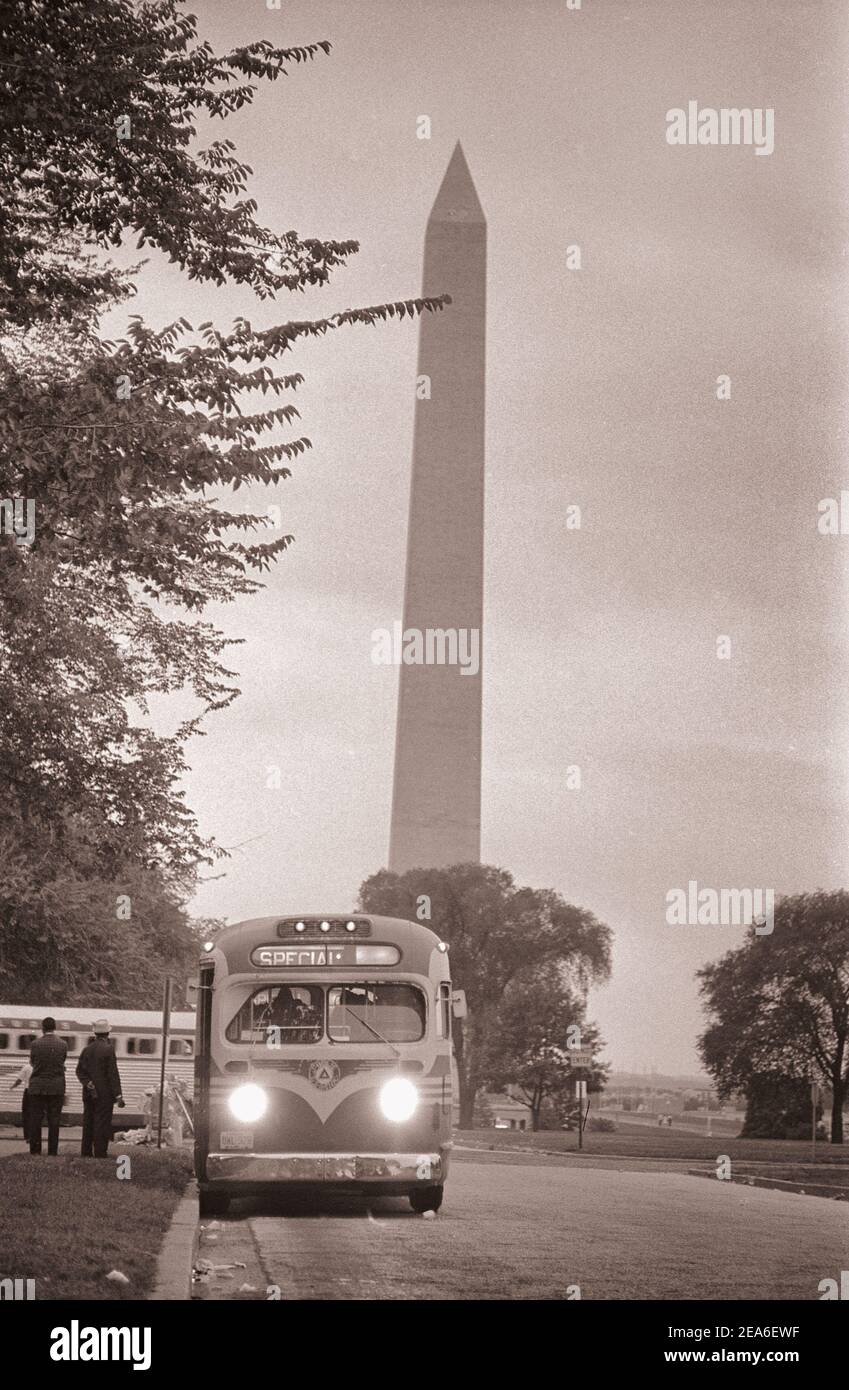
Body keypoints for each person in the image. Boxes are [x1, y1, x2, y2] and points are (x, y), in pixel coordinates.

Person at [76, 1020, 125, 1158]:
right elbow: (112, 1074)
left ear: (95, 1033)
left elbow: (79, 1071)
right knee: (102, 1123)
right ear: (108, 1033)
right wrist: (118, 1095)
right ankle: (100, 1152)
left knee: (88, 1122)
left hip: (88, 1093)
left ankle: (86, 1152)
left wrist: (87, 1083)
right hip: (104, 1094)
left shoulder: (86, 1049)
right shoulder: (108, 1049)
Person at [28, 1018, 68, 1155]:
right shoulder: (63, 1044)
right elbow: (61, 1062)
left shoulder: (35, 1044)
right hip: (56, 1087)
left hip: (37, 1086)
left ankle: (35, 1150)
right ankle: (52, 1151)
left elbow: (33, 1063)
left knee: (35, 1119)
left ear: (42, 1028)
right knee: (54, 1120)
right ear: (54, 1028)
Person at [10, 1060, 33, 1144]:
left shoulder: (26, 1067)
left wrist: (12, 1086)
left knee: (26, 1114)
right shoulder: (39, 1067)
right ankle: (34, 1136)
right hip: (37, 1093)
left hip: (28, 1092)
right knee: (35, 1115)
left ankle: (27, 1136)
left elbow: (19, 1080)